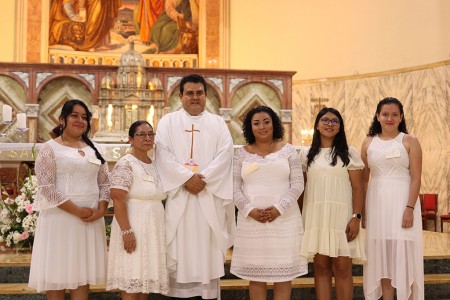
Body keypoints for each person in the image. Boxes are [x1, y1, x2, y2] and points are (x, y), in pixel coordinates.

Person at [155, 74, 235, 299]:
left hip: (209, 197)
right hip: (181, 197)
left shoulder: (218, 123)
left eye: (199, 93)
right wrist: (185, 179)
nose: (195, 97)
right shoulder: (168, 122)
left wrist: (202, 179)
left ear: (206, 95)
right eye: (189, 93)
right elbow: (162, 154)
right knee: (180, 247)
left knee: (207, 251)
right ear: (180, 96)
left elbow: (225, 154)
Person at [28, 99, 110, 299]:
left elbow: (105, 184)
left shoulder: (95, 149)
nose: (80, 120)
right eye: (75, 115)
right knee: (57, 272)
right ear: (62, 119)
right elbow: (46, 188)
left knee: (82, 275)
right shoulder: (49, 149)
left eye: (84, 117)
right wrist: (78, 211)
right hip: (60, 220)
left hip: (89, 222)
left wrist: (101, 210)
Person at [231, 105, 308, 300]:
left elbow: (298, 184)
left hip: (284, 220)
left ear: (274, 124)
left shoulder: (289, 151)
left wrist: (279, 208)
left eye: (266, 122)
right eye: (256, 123)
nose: (262, 127)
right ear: (250, 127)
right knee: (256, 277)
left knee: (283, 275)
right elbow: (233, 188)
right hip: (251, 222)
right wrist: (250, 210)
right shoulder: (241, 154)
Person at [299, 107, 365, 300]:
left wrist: (356, 217)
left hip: (342, 217)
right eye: (325, 120)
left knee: (343, 267)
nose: (330, 124)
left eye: (335, 121)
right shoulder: (306, 155)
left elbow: (358, 188)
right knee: (321, 268)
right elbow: (301, 189)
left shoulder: (349, 153)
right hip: (316, 218)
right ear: (317, 125)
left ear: (340, 127)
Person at [361, 97, 424, 300]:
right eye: (385, 114)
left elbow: (416, 178)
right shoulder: (368, 142)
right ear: (377, 116)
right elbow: (363, 181)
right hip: (377, 204)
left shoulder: (409, 140)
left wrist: (409, 208)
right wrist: (363, 211)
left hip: (402, 203)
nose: (390, 118)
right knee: (383, 259)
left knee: (406, 257)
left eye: (394, 114)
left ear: (401, 117)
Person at [107, 120, 168, 299]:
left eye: (150, 134)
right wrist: (127, 231)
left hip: (153, 227)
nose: (147, 138)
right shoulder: (126, 163)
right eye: (141, 134)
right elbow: (117, 197)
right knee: (132, 278)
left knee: (144, 283)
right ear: (130, 139)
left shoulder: (156, 163)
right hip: (134, 225)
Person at [49, 0, 121, 51]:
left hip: (99, 3)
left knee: (102, 17)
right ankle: (91, 41)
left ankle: (100, 43)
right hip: (63, 18)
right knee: (94, 19)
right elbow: (67, 5)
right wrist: (74, 17)